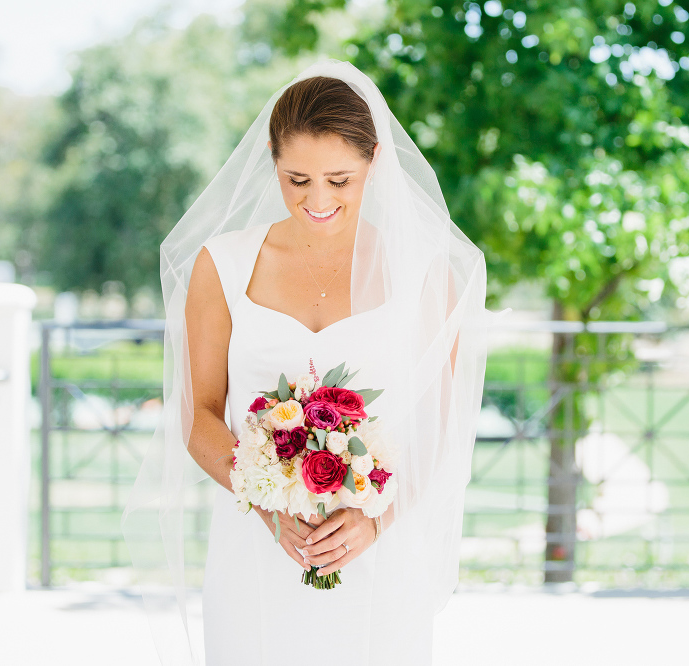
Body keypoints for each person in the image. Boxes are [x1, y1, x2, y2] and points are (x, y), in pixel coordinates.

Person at [122, 59, 489, 665]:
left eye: (340, 180)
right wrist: (269, 506)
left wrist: (375, 521)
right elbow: (201, 418)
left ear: (374, 159)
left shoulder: (425, 274)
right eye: (297, 179)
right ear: (272, 158)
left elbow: (440, 429)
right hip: (256, 550)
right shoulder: (222, 265)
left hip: (378, 552)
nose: (317, 200)